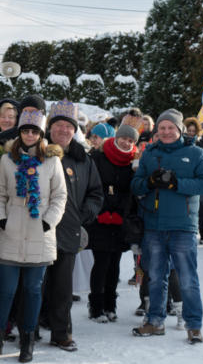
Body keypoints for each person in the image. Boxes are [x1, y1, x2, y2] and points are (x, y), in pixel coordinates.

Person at [0, 109, 67, 362]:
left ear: (41, 134)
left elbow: (59, 197)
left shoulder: (52, 161)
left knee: (33, 290)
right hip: (10, 233)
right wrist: (1, 219)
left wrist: (48, 222)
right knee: (6, 291)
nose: (30, 135)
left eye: (34, 131)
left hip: (39, 235)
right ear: (19, 133)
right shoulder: (7, 160)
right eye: (26, 131)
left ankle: (28, 339)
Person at [131, 109, 203, 344]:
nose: (166, 132)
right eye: (162, 128)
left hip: (183, 226)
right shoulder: (149, 154)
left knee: (188, 279)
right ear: (157, 131)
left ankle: (194, 325)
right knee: (156, 277)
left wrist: (178, 183)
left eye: (171, 128)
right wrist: (149, 182)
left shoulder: (196, 153)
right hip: (154, 226)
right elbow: (136, 186)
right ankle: (155, 321)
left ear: (179, 130)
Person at [43, 99, 103, 352]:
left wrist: (83, 214)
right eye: (58, 126)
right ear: (49, 129)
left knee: (62, 287)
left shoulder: (82, 159)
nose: (63, 131)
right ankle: (29, 327)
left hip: (68, 231)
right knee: (34, 285)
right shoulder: (38, 153)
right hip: (37, 232)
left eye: (68, 127)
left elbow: (96, 192)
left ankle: (61, 332)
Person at [86, 119, 138, 323]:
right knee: (101, 262)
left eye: (130, 140)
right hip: (100, 218)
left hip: (119, 219)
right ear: (116, 138)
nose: (126, 143)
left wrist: (120, 211)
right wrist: (102, 210)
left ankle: (111, 303)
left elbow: (131, 192)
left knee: (115, 263)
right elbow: (94, 186)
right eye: (124, 138)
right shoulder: (99, 156)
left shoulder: (133, 161)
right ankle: (96, 305)